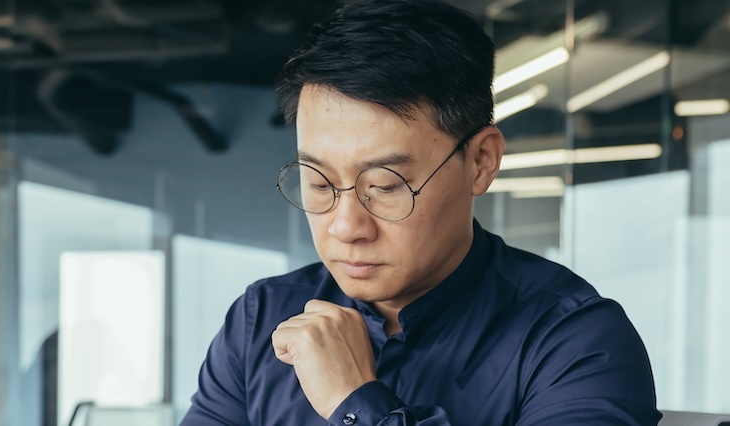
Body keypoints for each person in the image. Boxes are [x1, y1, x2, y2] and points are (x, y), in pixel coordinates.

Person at [180, 1, 660, 425]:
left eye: (386, 186)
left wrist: (355, 403)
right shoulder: (261, 320)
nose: (346, 227)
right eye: (319, 183)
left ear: (481, 162)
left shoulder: (575, 343)